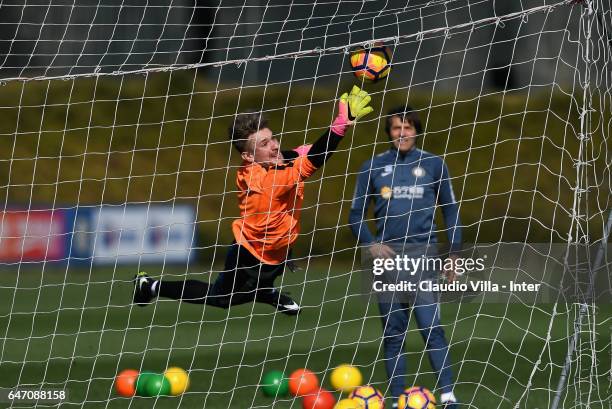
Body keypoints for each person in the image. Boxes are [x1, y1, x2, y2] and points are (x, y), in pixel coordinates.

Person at [133, 86, 373, 315]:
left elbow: (296, 154)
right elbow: (314, 159)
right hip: (252, 256)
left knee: (252, 288)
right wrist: (341, 124)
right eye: (265, 144)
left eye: (273, 138)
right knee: (221, 299)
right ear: (248, 156)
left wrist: (323, 138)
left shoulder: (261, 165)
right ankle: (150, 286)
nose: (275, 145)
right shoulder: (269, 182)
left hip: (278, 249)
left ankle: (265, 291)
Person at [349, 106, 461, 408]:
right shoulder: (372, 166)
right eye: (397, 128)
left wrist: (453, 252)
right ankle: (398, 398)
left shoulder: (434, 164)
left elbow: (450, 211)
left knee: (431, 328)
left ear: (416, 130)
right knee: (393, 332)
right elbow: (355, 215)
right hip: (387, 261)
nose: (402, 133)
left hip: (423, 258)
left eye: (408, 127)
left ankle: (449, 396)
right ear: (389, 132)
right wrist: (371, 243)